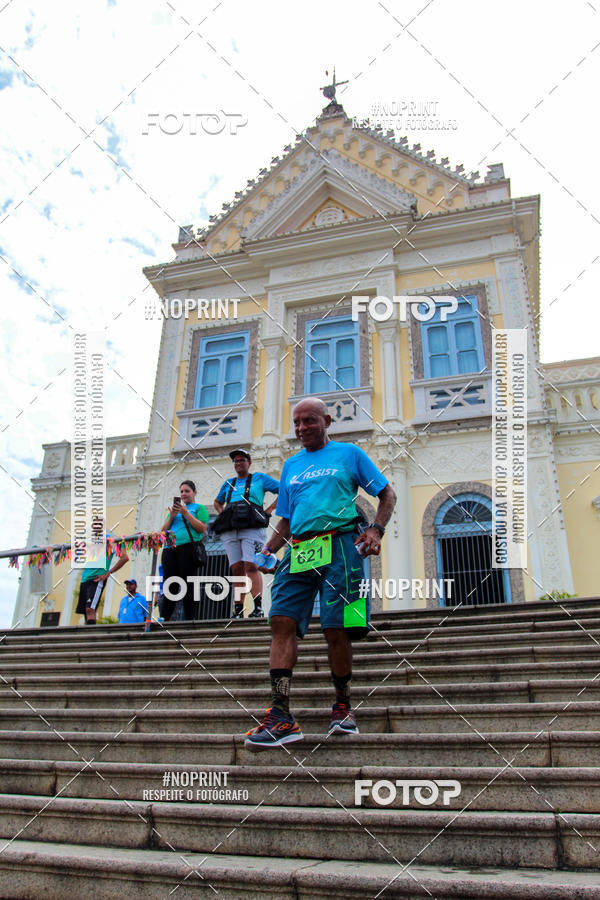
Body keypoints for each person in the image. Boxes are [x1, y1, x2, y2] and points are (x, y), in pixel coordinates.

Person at [244, 397, 397, 750]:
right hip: (299, 549)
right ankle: (281, 715)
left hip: (341, 545)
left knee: (336, 628)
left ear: (327, 421)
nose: (301, 429)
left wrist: (375, 529)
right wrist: (268, 549)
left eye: (309, 421)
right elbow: (285, 518)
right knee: (280, 622)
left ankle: (343, 707)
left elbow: (386, 493)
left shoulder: (349, 454)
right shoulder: (291, 466)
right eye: (296, 423)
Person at [213, 449, 279, 619]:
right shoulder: (229, 483)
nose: (238, 463)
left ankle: (257, 607)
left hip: (252, 528)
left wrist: (268, 511)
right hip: (231, 529)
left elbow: (282, 490)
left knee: (251, 565)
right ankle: (239, 609)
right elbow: (217, 501)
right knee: (236, 568)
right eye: (235, 461)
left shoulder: (259, 479)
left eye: (242, 460)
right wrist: (223, 514)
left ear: (249, 463)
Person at [160, 480, 209, 621]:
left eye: (187, 491)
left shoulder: (199, 508)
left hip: (188, 547)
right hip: (170, 548)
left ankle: (189, 617)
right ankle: (165, 616)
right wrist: (173, 516)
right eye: (181, 491)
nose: (184, 494)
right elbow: (163, 532)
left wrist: (186, 513)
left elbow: (202, 528)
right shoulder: (174, 511)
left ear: (194, 492)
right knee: (170, 583)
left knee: (188, 583)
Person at [75, 530, 129, 625]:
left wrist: (108, 573)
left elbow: (125, 558)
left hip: (97, 579)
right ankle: (86, 635)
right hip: (84, 579)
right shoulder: (89, 542)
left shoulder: (110, 540)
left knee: (90, 609)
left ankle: (92, 637)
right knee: (85, 611)